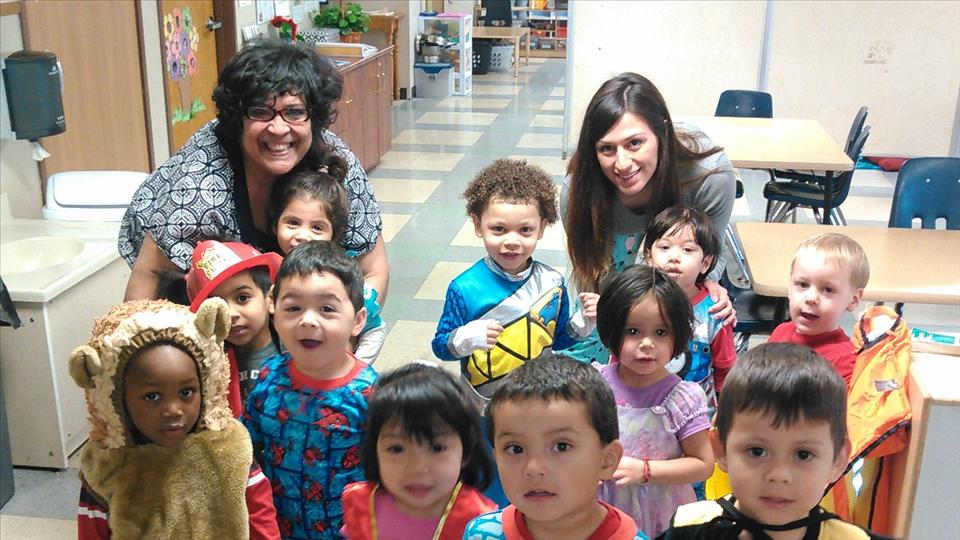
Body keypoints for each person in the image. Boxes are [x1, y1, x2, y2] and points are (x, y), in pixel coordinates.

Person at [119, 39, 388, 308]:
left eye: (294, 112)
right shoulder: (199, 185)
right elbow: (147, 284)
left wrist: (346, 329)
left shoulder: (336, 163)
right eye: (260, 112)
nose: (278, 129)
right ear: (239, 120)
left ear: (314, 118)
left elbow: (372, 270)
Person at [560, 72, 736, 364]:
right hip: (611, 306)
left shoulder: (709, 176)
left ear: (661, 133)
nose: (622, 164)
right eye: (606, 148)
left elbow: (709, 258)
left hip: (679, 296)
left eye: (634, 143)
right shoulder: (578, 195)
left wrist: (708, 285)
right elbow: (591, 276)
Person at [70, 298, 279, 539]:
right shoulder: (106, 468)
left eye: (186, 392)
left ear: (205, 387)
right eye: (152, 396)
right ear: (117, 400)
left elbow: (261, 518)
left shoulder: (230, 450)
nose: (173, 410)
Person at [661, 343, 892, 539]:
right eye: (757, 451)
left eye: (803, 454)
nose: (779, 475)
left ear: (838, 460)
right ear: (721, 449)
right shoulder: (689, 529)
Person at [432, 158, 599, 399]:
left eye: (525, 230)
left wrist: (583, 322)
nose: (512, 241)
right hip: (483, 403)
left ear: (542, 228)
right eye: (498, 229)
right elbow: (440, 347)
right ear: (478, 225)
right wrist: (465, 338)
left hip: (539, 397)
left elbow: (558, 340)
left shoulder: (552, 283)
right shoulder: (464, 288)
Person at [243, 240, 377, 538]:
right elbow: (246, 446)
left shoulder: (370, 394)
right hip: (279, 528)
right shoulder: (269, 378)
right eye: (293, 308)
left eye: (327, 309)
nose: (307, 321)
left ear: (357, 321)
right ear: (273, 309)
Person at [464, 353, 647, 540]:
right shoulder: (481, 534)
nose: (533, 468)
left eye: (561, 446)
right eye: (515, 449)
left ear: (607, 460)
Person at [594, 264, 714, 538]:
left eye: (660, 333)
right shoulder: (593, 386)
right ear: (612, 330)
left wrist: (645, 471)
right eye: (633, 331)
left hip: (661, 513)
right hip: (602, 509)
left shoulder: (682, 399)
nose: (646, 344)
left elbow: (703, 464)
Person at [340, 362, 496, 539]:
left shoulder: (483, 524)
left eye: (437, 448)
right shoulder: (362, 505)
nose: (417, 468)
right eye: (397, 449)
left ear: (466, 452)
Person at [269, 170, 385, 363]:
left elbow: (375, 327)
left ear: (334, 235)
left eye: (317, 228)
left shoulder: (343, 275)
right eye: (293, 223)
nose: (303, 236)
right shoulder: (268, 269)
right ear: (276, 224)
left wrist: (356, 363)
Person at [643, 205, 736, 414]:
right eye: (664, 247)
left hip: (696, 417)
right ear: (649, 257)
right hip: (643, 413)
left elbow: (725, 371)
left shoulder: (715, 312)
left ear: (705, 263)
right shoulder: (636, 303)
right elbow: (620, 355)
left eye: (687, 250)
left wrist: (725, 414)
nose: (674, 257)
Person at [184, 239, 282, 411]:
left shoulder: (296, 349)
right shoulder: (208, 364)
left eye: (242, 298)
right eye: (218, 304)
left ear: (271, 299)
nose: (230, 314)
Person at [767, 233, 869, 386]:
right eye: (803, 284)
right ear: (789, 287)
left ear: (853, 299)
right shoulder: (781, 332)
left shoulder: (845, 361)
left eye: (828, 290)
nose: (811, 298)